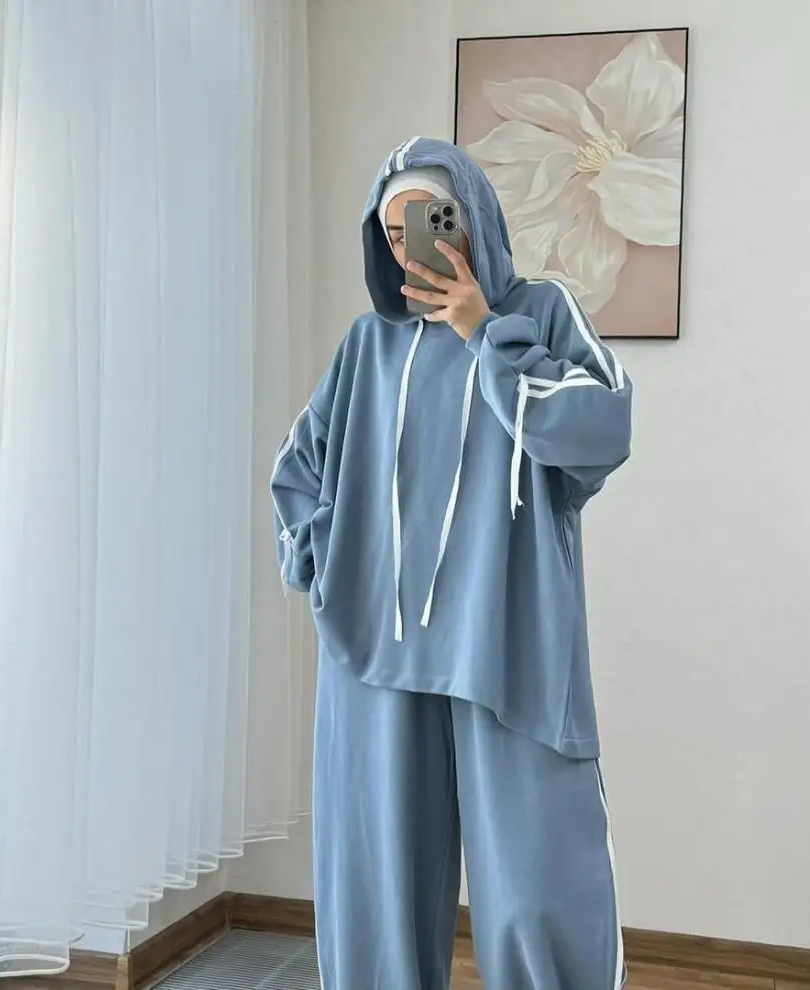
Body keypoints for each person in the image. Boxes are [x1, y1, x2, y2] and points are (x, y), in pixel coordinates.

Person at [271, 137, 632, 990]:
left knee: (538, 889)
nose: (412, 250)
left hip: (506, 644)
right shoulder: (368, 346)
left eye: (431, 223)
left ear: (470, 219)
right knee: (379, 891)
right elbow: (298, 469)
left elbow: (599, 432)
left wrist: (482, 332)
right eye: (394, 234)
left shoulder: (540, 313)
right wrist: (329, 568)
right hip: (375, 657)